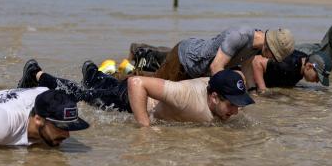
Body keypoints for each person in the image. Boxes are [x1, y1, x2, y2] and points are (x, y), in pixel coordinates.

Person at [18, 59, 255, 127]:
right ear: (213, 97)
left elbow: (240, 78)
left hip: (126, 89)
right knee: (81, 95)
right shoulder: (185, 95)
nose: (236, 110)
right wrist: (145, 128)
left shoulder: (225, 93)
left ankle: (92, 70)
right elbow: (136, 84)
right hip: (130, 100)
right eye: (232, 105)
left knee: (99, 86)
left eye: (238, 104)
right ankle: (37, 74)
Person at [152, 27, 295, 82]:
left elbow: (246, 69)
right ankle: (130, 74)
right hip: (184, 59)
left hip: (199, 72)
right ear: (270, 44)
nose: (269, 58)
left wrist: (248, 94)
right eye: (273, 55)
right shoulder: (239, 37)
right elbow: (216, 67)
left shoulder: (257, 48)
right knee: (153, 92)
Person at [251, 49, 332, 93]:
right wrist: (262, 89)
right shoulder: (287, 64)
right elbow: (256, 62)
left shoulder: (304, 60)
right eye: (317, 77)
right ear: (309, 66)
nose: (317, 81)